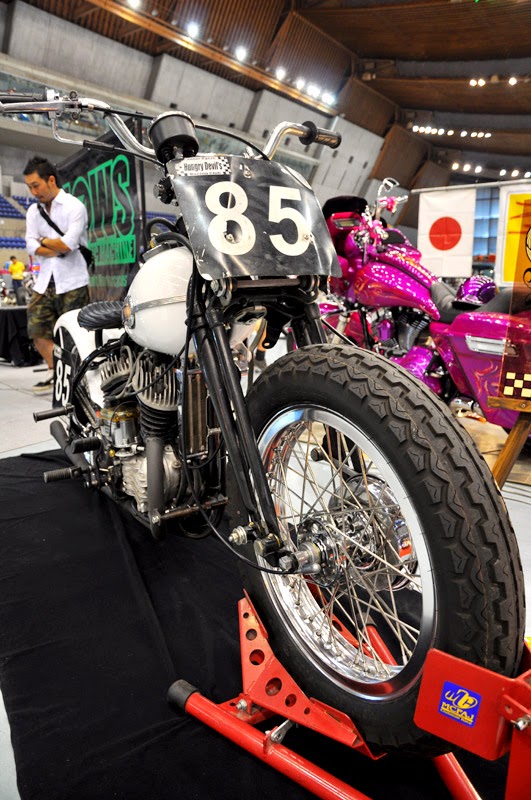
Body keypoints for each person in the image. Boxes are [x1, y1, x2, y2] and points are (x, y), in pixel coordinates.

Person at [24, 156, 90, 394]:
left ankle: (78, 379)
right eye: (29, 187)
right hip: (44, 281)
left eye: (36, 185)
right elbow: (30, 245)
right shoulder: (34, 211)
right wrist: (51, 246)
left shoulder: (74, 206)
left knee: (75, 333)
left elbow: (68, 245)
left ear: (50, 180)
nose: (33, 192)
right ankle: (56, 371)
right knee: (36, 328)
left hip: (73, 280)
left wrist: (43, 241)